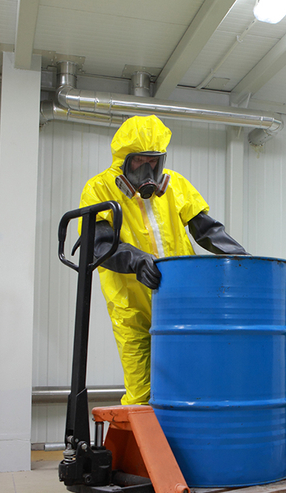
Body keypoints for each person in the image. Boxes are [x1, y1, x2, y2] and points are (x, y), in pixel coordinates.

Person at [79, 114, 248, 405]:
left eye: (153, 161)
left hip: (181, 300)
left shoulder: (176, 186)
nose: (147, 168)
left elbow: (207, 230)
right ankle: (140, 448)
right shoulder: (99, 190)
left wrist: (245, 260)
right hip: (131, 305)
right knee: (142, 390)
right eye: (138, 161)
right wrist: (135, 260)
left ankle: (183, 446)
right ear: (123, 159)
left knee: (191, 380)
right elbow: (97, 244)